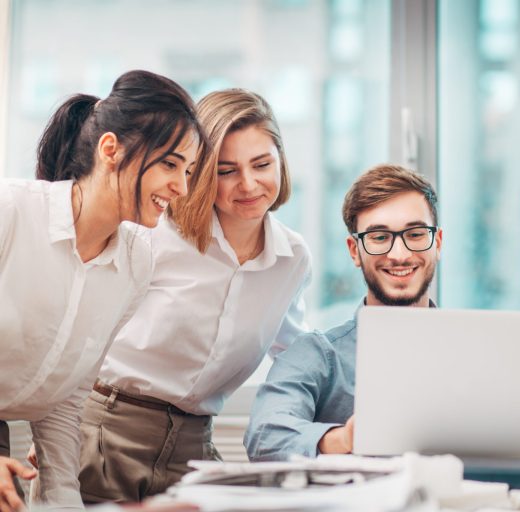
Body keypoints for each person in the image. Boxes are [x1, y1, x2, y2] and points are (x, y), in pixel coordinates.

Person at [75, 89, 312, 503]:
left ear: (281, 162)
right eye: (226, 171)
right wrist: (57, 433)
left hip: (194, 448)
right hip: (106, 433)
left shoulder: (291, 259)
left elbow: (297, 357)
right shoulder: (155, 233)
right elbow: (80, 328)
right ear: (200, 173)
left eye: (262, 164)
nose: (249, 184)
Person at [0, 69, 204, 510]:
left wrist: (62, 500)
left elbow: (66, 398)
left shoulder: (136, 262)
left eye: (188, 171)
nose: (182, 187)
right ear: (111, 149)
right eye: (170, 164)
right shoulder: (10, 211)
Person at [245, 164, 441, 461]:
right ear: (354, 251)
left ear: (437, 243)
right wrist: (344, 439)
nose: (399, 254)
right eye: (379, 237)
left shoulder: (475, 351)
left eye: (415, 234)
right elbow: (264, 435)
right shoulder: (317, 354)